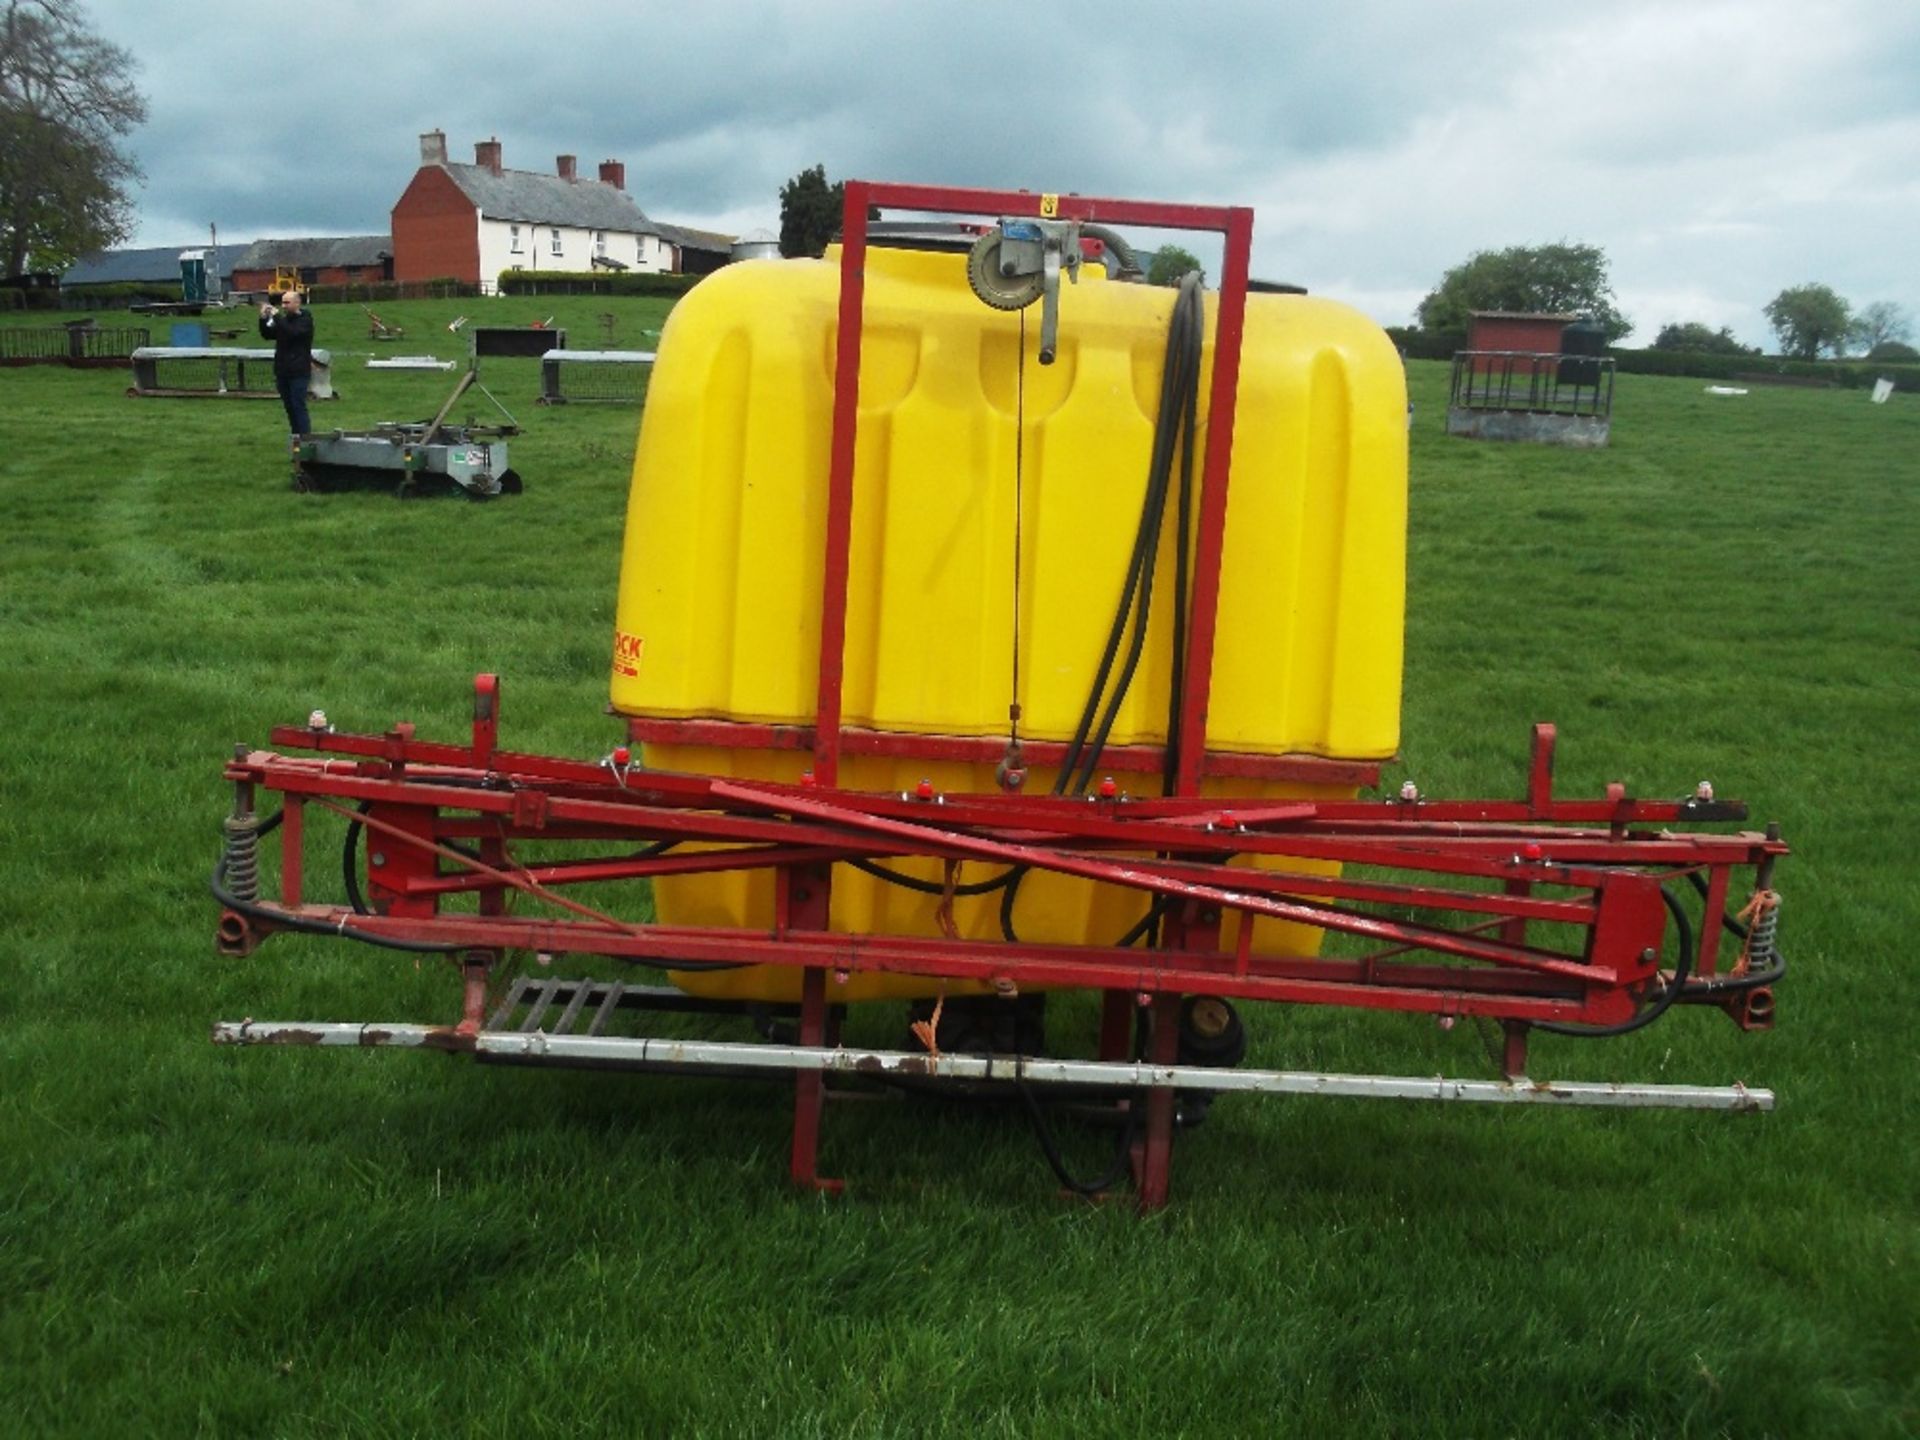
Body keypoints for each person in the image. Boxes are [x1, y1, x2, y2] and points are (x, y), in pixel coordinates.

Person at [258, 289, 315, 441]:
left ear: (297, 303)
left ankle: (306, 439)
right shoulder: (283, 320)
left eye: (287, 303)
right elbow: (268, 334)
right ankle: (296, 439)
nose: (284, 306)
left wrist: (276, 316)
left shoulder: (305, 319)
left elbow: (293, 333)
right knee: (289, 408)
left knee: (298, 406)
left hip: (299, 371)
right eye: (282, 302)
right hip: (282, 371)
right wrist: (263, 318)